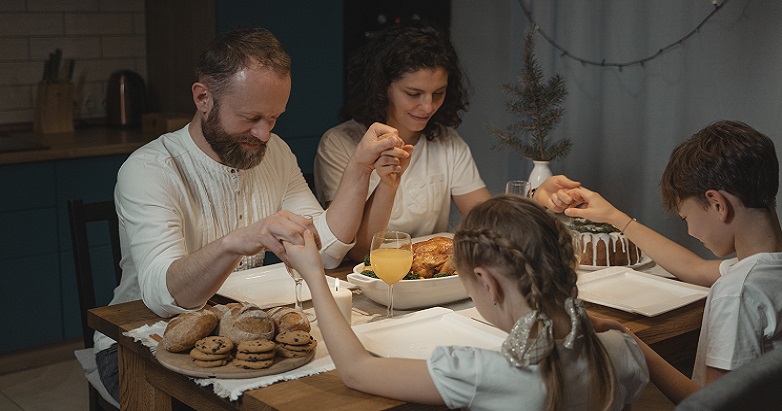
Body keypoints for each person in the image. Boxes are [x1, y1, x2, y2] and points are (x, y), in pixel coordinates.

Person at [93, 28, 410, 402]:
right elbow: (166, 296)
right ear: (203, 98)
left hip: (243, 332)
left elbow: (323, 250)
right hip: (138, 344)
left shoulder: (275, 152)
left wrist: (360, 168)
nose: (264, 134)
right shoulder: (149, 170)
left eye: (274, 118)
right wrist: (237, 241)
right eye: (251, 117)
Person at [284, 195, 649, 411]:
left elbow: (356, 370)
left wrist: (316, 276)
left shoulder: (479, 371)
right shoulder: (620, 352)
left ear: (486, 283)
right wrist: (619, 330)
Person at [314, 22, 579, 255]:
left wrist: (534, 199)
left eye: (438, 94)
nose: (428, 107)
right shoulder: (340, 144)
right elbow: (360, 252)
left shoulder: (447, 142)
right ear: (382, 88)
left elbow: (487, 219)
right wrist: (387, 184)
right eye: (413, 93)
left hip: (430, 275)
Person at [566, 120, 782, 404]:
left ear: (717, 204)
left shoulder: (737, 292)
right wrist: (614, 217)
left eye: (686, 218)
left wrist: (629, 339)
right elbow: (693, 268)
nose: (690, 231)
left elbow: (712, 404)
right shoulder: (762, 271)